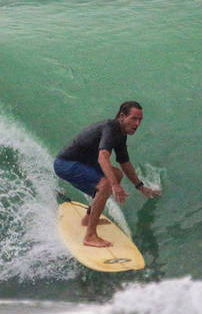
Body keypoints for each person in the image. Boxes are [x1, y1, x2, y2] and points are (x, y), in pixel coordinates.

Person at [54, 101, 161, 247]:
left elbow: (124, 163)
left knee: (116, 174)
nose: (137, 124)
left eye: (140, 120)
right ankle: (90, 236)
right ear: (122, 116)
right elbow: (102, 157)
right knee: (105, 184)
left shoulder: (121, 134)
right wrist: (115, 186)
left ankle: (89, 218)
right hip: (66, 164)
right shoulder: (111, 128)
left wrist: (141, 187)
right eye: (134, 119)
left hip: (84, 163)